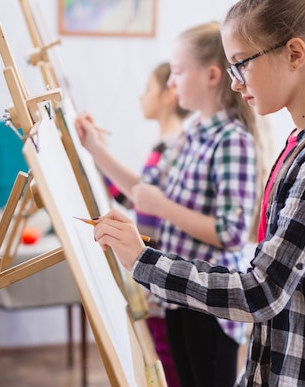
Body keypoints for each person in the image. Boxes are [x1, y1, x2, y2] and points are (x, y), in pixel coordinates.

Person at [91, 0, 305, 386]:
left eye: (242, 63)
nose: (237, 82)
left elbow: (261, 292)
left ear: (295, 55)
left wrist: (143, 261)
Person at [77, 22, 272, 387]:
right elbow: (144, 190)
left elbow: (230, 234)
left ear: (212, 75)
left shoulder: (233, 141)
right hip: (177, 293)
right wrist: (94, 148)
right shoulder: (192, 133)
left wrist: (164, 207)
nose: (171, 82)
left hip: (211, 306)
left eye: (178, 72)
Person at [77, 62, 189, 387]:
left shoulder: (174, 146)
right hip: (158, 274)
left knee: (173, 369)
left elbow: (145, 206)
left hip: (164, 276)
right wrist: (96, 154)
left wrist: (97, 152)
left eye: (148, 89)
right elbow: (135, 198)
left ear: (169, 95)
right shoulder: (165, 145)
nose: (141, 97)